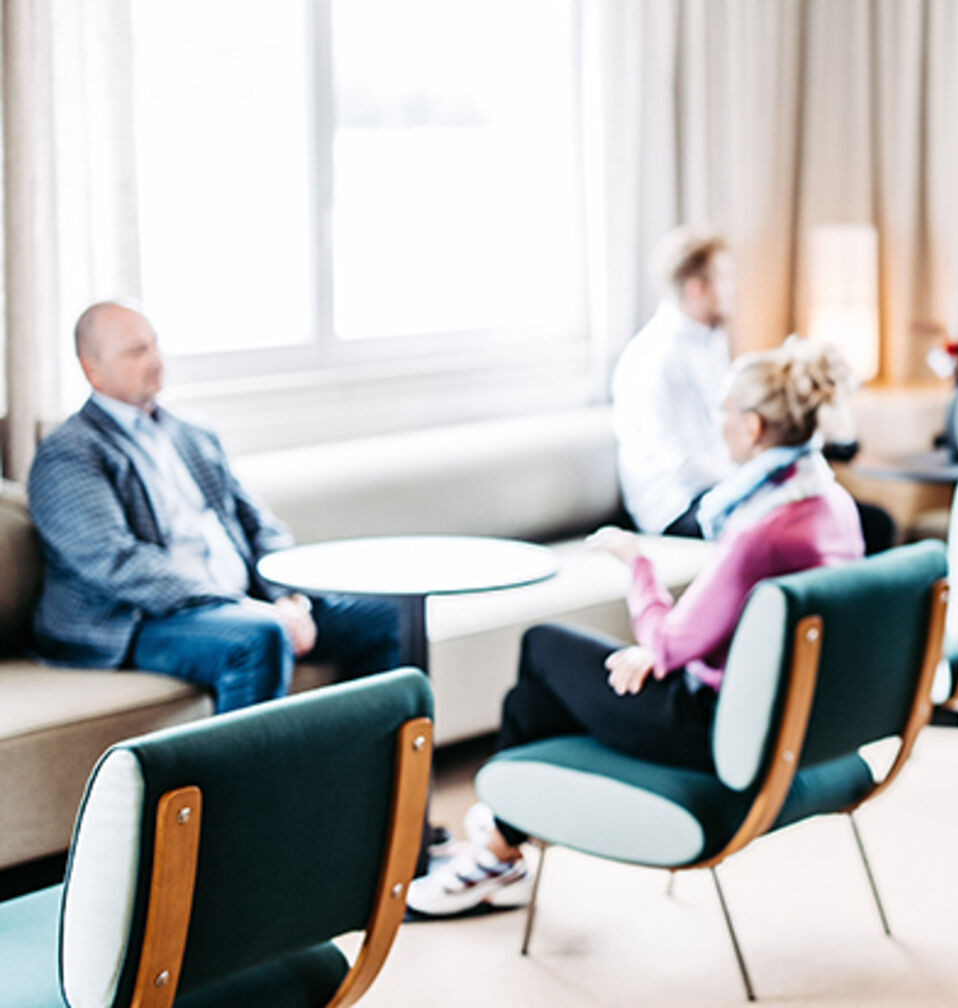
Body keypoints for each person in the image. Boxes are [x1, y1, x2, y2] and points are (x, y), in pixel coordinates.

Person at [409, 337, 865, 916]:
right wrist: (672, 650)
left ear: (752, 427)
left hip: (714, 729)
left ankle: (503, 843)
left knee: (543, 648)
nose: (717, 425)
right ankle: (507, 831)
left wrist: (636, 564)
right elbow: (731, 626)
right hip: (794, 719)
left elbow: (669, 640)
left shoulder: (760, 530)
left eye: (721, 413)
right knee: (534, 694)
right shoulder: (829, 501)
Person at [28, 301, 399, 714]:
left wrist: (288, 597)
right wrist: (234, 604)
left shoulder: (192, 433)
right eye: (136, 352)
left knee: (382, 618)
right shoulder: (70, 452)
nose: (155, 360)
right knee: (258, 637)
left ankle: (370, 772)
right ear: (90, 369)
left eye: (155, 345)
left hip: (241, 600)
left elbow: (257, 523)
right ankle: (248, 781)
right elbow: (116, 563)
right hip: (134, 620)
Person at [612, 227, 737, 537]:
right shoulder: (655, 356)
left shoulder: (710, 341)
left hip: (715, 487)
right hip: (675, 505)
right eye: (725, 279)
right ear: (697, 288)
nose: (736, 290)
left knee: (845, 514)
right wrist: (743, 479)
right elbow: (677, 460)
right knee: (782, 528)